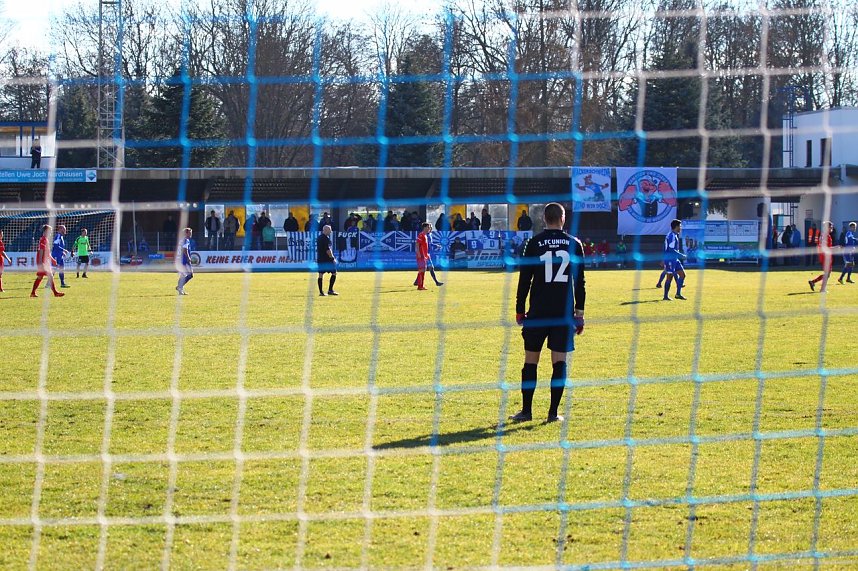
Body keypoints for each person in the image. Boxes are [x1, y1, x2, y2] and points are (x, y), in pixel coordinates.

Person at [510, 202, 585, 423]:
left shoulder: (533, 243)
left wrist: (519, 309)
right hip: (562, 313)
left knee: (530, 360)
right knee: (559, 362)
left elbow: (525, 279)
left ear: (544, 218)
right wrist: (579, 313)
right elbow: (579, 282)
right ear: (563, 219)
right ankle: (553, 414)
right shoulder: (574, 244)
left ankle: (526, 411)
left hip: (538, 312)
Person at [30, 225, 64, 298]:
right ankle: (55, 293)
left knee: (40, 277)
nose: (51, 233)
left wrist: (52, 260)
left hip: (45, 261)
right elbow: (41, 251)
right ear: (46, 231)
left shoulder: (46, 239)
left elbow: (47, 253)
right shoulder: (43, 240)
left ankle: (33, 293)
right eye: (50, 231)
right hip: (43, 261)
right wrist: (40, 263)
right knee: (50, 275)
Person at [663, 219, 687, 301]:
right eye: (680, 226)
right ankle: (665, 296)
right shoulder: (671, 236)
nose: (681, 228)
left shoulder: (674, 235)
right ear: (676, 227)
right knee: (669, 277)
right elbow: (671, 249)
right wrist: (681, 255)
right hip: (670, 259)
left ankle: (678, 294)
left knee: (683, 275)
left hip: (675, 259)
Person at [809, 221, 835, 293]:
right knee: (827, 274)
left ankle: (813, 282)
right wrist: (836, 247)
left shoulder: (822, 235)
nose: (832, 229)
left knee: (827, 274)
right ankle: (822, 289)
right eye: (831, 227)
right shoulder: (826, 236)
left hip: (823, 256)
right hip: (825, 257)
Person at [316, 225, 338, 296]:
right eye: (329, 230)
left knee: (320, 274)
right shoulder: (325, 239)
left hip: (320, 258)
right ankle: (330, 290)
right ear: (325, 230)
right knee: (334, 273)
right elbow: (328, 250)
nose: (331, 231)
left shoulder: (319, 238)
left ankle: (321, 292)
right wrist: (332, 258)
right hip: (327, 259)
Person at [414, 222, 433, 290]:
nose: (429, 228)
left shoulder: (425, 235)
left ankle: (421, 285)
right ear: (425, 227)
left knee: (423, 270)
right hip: (421, 255)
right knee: (422, 270)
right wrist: (418, 253)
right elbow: (417, 244)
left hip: (424, 255)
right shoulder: (421, 235)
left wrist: (426, 254)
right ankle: (420, 286)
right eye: (428, 227)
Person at [176, 228, 194, 295]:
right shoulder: (185, 240)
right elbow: (184, 249)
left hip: (180, 260)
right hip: (184, 260)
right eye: (190, 232)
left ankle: (181, 290)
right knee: (190, 275)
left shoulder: (182, 240)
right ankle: (179, 287)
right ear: (186, 233)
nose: (191, 234)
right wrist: (188, 257)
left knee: (182, 275)